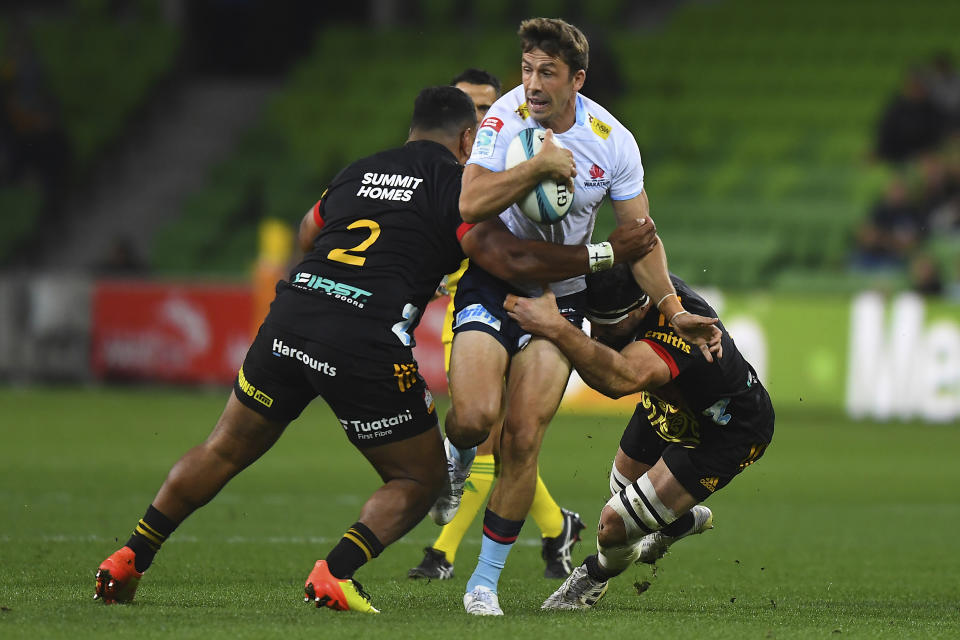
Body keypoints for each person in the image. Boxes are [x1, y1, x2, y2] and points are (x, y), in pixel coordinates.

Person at [92, 85, 660, 613]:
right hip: (361, 338)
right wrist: (602, 254)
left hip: (291, 317)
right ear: (468, 141)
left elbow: (309, 231)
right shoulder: (454, 189)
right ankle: (337, 571)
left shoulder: (358, 171)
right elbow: (509, 260)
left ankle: (130, 558)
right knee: (421, 478)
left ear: (413, 129)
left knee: (222, 448)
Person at [435, 17, 722, 616]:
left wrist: (671, 307)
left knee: (522, 438)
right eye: (526, 70)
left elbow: (640, 238)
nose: (532, 85)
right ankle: (456, 455)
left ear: (577, 80)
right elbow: (469, 201)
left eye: (547, 73)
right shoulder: (504, 118)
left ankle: (482, 583)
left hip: (563, 296)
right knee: (474, 418)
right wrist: (536, 169)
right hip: (491, 286)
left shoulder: (612, 140)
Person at [502, 264, 775, 610]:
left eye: (610, 322)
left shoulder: (679, 336)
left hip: (726, 431)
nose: (599, 331)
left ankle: (592, 577)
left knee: (613, 526)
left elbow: (616, 381)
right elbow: (645, 237)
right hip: (672, 402)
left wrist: (556, 327)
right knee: (622, 494)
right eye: (593, 319)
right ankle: (679, 521)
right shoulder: (642, 280)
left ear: (641, 308)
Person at [409, 68, 586, 582]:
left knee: (509, 436)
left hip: (512, 296)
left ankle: (444, 552)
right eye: (469, 109)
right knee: (483, 426)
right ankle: (557, 525)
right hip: (472, 302)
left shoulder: (510, 161)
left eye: (487, 108)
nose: (479, 119)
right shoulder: (446, 170)